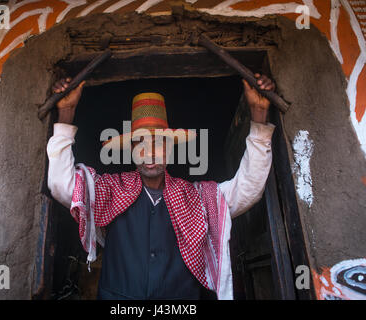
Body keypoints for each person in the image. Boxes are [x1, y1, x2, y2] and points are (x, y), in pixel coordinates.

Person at [47, 74, 276, 300]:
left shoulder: (195, 197)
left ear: (170, 148)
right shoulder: (110, 190)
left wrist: (259, 116)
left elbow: (247, 188)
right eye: (141, 144)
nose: (150, 152)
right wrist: (66, 113)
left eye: (158, 142)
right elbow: (62, 185)